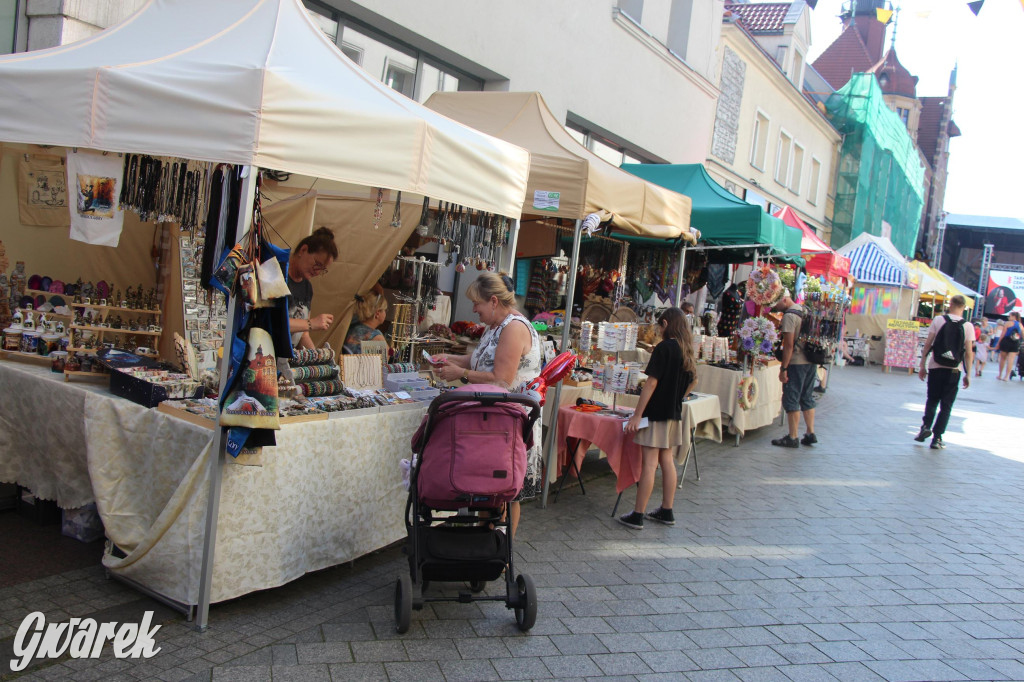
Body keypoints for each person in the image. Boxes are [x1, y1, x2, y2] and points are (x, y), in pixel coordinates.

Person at [433, 272, 541, 539]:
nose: (474, 309)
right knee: (489, 484)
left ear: (493, 301)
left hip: (512, 423)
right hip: (495, 419)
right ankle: (484, 543)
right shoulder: (497, 326)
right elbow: (477, 359)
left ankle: (500, 549)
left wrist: (459, 374)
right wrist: (448, 358)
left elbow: (502, 379)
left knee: (505, 489)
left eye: (477, 303)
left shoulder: (514, 328)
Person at [618, 307, 698, 530]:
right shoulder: (686, 349)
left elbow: (651, 383)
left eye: (658, 325)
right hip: (673, 414)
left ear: (665, 324)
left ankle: (638, 513)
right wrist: (678, 397)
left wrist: (637, 414)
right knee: (667, 462)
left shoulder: (664, 348)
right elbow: (694, 381)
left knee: (650, 464)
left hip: (656, 414)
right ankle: (666, 509)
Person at [916, 295, 974, 450]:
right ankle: (937, 438)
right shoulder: (968, 326)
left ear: (951, 304)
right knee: (946, 405)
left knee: (932, 399)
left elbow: (928, 344)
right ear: (964, 307)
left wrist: (922, 365)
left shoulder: (938, 320)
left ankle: (926, 426)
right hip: (954, 370)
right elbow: (968, 352)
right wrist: (968, 373)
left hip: (936, 366)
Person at [771, 290, 817, 448]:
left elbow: (789, 346)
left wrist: (783, 368)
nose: (775, 307)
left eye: (776, 303)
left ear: (784, 299)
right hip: (810, 360)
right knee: (807, 396)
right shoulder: (804, 310)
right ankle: (810, 433)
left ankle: (793, 436)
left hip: (796, 362)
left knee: (792, 397)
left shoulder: (789, 316)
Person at [288, 227, 338, 350]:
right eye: (317, 264)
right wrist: (311, 323)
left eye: (323, 269)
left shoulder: (307, 288)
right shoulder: (278, 275)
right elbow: (272, 322)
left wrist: (317, 358)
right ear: (303, 250)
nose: (317, 272)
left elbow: (303, 334)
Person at [344, 285, 388, 354]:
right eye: (385, 310)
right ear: (377, 313)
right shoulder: (376, 337)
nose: (385, 313)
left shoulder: (351, 326)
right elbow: (383, 362)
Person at [996, 311, 1022, 381]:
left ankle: (1000, 374)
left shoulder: (1008, 323)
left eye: (1009, 316)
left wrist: (998, 343)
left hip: (1006, 342)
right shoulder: (1020, 325)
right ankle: (1007, 376)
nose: (1009, 318)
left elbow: (1003, 334)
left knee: (1003, 359)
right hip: (1015, 343)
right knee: (1011, 360)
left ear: (1013, 316)